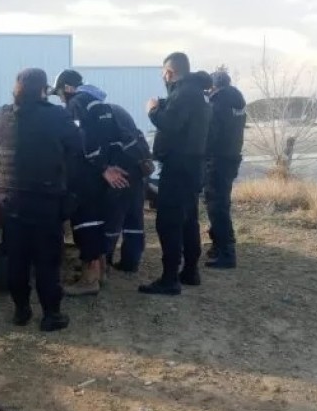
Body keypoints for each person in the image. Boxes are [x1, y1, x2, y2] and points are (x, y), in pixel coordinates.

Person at [0, 68, 81, 332]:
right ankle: (51, 315)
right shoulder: (57, 115)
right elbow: (77, 149)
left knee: (17, 259)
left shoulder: (1, 115)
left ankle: (21, 311)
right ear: (43, 89)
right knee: (47, 260)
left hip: (10, 200)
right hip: (45, 201)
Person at [51, 69, 129, 297]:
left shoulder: (77, 103)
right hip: (103, 177)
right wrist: (109, 165)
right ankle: (101, 272)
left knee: (85, 226)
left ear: (67, 88)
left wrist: (102, 166)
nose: (61, 99)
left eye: (59, 93)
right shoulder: (100, 104)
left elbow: (81, 139)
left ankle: (89, 279)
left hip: (86, 177)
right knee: (97, 224)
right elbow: (113, 139)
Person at [139, 52, 211, 296]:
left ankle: (169, 279)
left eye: (164, 75)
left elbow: (170, 124)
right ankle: (190, 271)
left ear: (169, 72)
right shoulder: (196, 93)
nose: (164, 79)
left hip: (178, 167)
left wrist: (152, 111)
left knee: (168, 222)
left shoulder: (184, 94)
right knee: (189, 219)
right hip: (192, 166)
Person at [204, 70, 246, 269]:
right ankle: (219, 245)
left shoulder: (217, 103)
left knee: (216, 206)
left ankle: (226, 253)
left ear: (213, 86)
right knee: (222, 203)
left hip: (218, 159)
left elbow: (211, 135)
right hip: (231, 158)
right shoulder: (237, 102)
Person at [104, 103, 149, 274]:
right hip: (137, 173)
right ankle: (131, 261)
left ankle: (104, 260)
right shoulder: (122, 114)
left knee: (112, 219)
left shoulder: (103, 118)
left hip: (119, 173)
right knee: (134, 218)